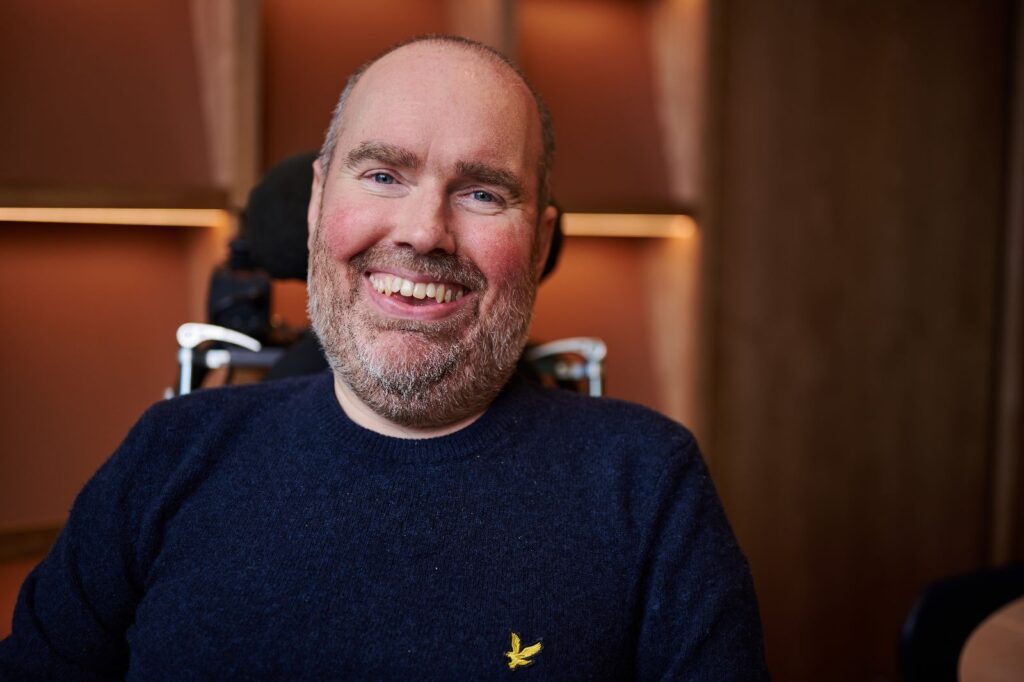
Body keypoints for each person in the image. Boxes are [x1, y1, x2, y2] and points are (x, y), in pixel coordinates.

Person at [0, 35, 768, 679]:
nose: (424, 231)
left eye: (482, 193)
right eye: (382, 175)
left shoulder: (647, 485)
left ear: (538, 244)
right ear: (316, 205)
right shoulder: (168, 454)